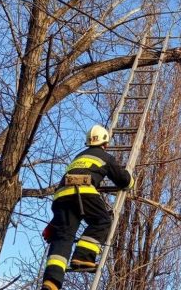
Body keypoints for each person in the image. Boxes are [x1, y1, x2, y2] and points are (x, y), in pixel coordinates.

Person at [41, 124, 134, 290]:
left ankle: (51, 282)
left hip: (61, 196)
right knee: (102, 221)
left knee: (63, 236)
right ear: (105, 142)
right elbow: (123, 181)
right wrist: (131, 181)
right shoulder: (104, 156)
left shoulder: (78, 157)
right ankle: (83, 257)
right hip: (82, 192)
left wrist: (55, 221)